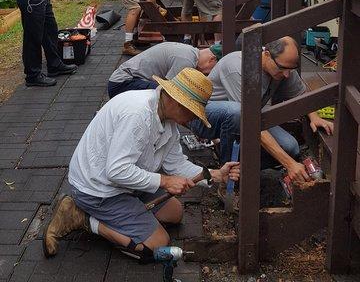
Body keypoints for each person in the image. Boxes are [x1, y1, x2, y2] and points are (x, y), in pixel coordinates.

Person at [43, 68, 240, 259]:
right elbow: (116, 171)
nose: (194, 118)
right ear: (176, 101)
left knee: (175, 213)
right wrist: (164, 181)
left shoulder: (167, 120)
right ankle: (82, 218)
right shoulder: (137, 115)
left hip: (125, 184)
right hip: (98, 190)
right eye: (193, 112)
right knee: (158, 243)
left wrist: (215, 175)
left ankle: (125, 213)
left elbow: (177, 165)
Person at [188, 36, 334, 183]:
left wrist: (314, 116)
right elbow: (250, 121)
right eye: (282, 68)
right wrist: (289, 164)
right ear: (266, 54)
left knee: (291, 148)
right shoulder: (237, 67)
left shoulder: (284, 65)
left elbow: (300, 94)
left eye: (290, 69)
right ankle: (226, 178)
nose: (286, 75)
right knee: (237, 112)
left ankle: (240, 168)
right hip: (205, 119)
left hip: (246, 118)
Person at [107, 41, 222, 98]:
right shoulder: (187, 61)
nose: (208, 74)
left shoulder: (189, 51)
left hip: (128, 79)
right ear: (212, 59)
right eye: (213, 70)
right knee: (164, 96)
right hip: (122, 84)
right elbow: (170, 91)